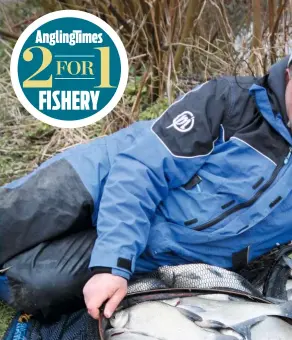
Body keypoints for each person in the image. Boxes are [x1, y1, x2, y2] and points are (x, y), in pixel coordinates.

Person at [1, 54, 292, 319]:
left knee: (37, 286)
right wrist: (110, 265)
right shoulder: (228, 101)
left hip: (157, 252)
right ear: (289, 72)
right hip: (106, 177)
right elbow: (141, 171)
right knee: (14, 218)